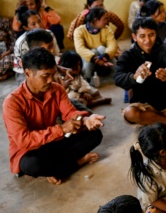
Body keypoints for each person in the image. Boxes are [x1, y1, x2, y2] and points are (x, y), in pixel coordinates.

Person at [2, 47, 105, 185]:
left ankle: (55, 169)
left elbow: (70, 113)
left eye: (53, 74)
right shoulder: (12, 102)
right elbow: (24, 140)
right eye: (45, 76)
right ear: (28, 73)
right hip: (29, 151)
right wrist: (61, 129)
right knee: (34, 165)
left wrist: (85, 120)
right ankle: (77, 163)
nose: (51, 80)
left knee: (95, 135)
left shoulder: (56, 89)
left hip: (52, 142)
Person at [13, 7, 60, 83]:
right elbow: (28, 67)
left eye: (39, 21)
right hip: (26, 72)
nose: (38, 26)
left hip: (49, 65)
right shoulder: (22, 42)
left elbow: (56, 54)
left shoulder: (50, 34)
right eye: (33, 24)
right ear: (26, 27)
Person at [74, 7, 118, 81]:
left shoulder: (107, 29)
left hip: (104, 59)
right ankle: (86, 78)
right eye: (105, 19)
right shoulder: (79, 31)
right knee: (93, 51)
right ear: (95, 20)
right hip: (90, 60)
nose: (107, 22)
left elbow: (113, 45)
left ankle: (118, 73)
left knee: (101, 48)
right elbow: (80, 49)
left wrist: (105, 56)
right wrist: (94, 58)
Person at [0, 16, 15, 81]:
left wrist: (6, 53)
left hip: (8, 53)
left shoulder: (5, 22)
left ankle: (10, 73)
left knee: (8, 61)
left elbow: (14, 40)